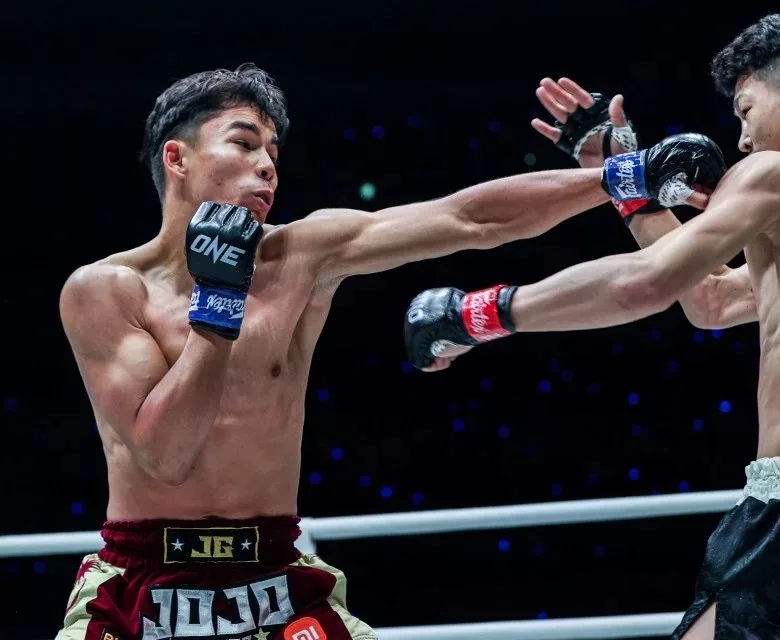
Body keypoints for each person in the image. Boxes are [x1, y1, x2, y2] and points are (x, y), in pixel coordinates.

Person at [56, 63, 720, 639]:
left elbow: (469, 219)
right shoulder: (106, 292)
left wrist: (623, 174)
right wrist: (219, 308)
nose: (266, 166)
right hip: (142, 585)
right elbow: (166, 454)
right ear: (177, 159)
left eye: (275, 154)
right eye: (244, 143)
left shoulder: (301, 256)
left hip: (275, 576)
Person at [404, 12, 780, 639]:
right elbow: (710, 301)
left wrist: (482, 314)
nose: (741, 140)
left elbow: (647, 283)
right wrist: (625, 180)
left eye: (745, 110)